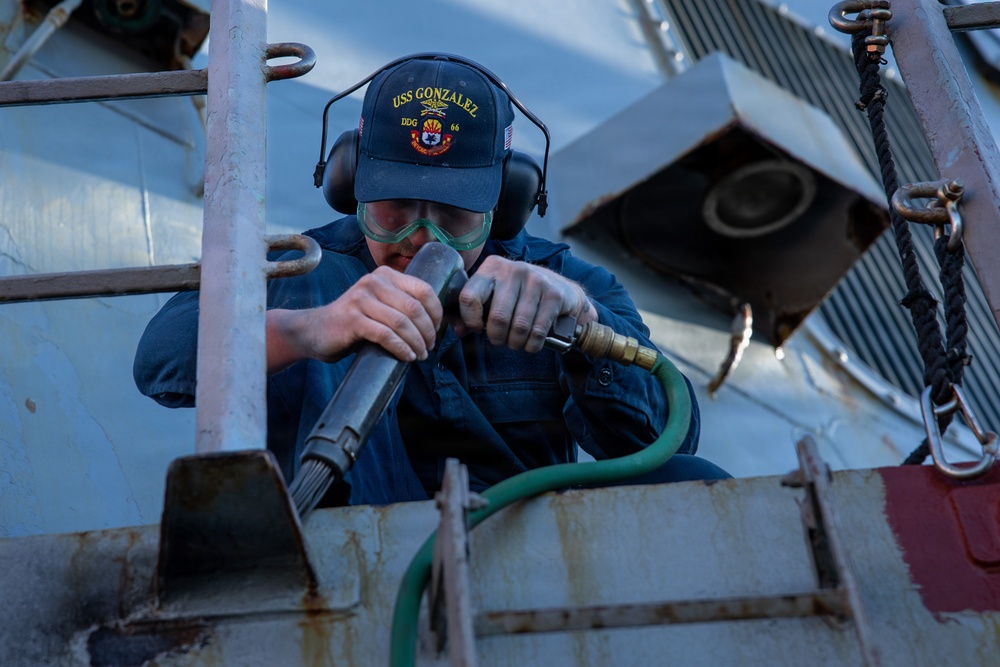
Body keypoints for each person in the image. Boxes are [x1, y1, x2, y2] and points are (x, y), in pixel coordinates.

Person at [133, 55, 729, 506]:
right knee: (320, 284)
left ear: (507, 202)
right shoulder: (296, 269)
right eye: (395, 209)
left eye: (455, 214)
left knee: (699, 486)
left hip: (528, 554)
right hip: (338, 544)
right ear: (348, 184)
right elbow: (159, 362)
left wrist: (582, 327)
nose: (423, 238)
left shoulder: (569, 283)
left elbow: (673, 443)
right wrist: (307, 331)